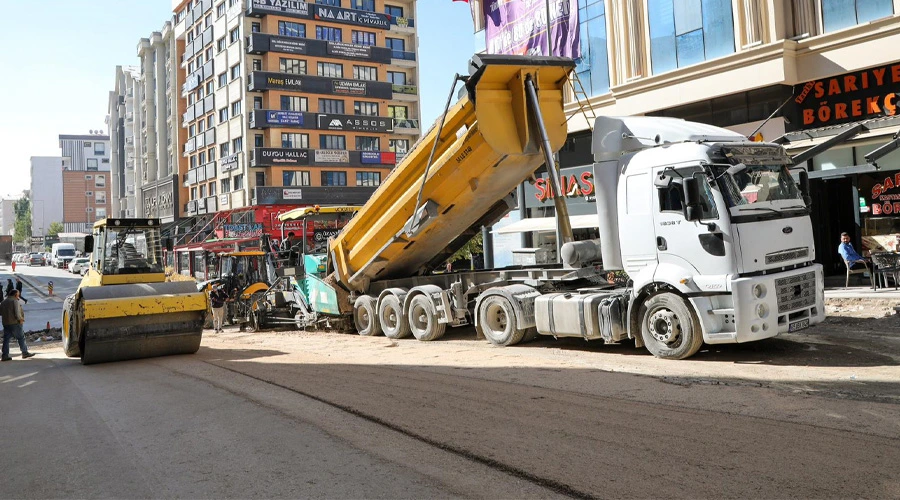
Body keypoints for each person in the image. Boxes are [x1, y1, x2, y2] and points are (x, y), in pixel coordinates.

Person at [1, 290, 34, 361]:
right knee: (21, 337)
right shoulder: (14, 301)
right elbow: (17, 312)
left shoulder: (3, 302)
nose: (18, 296)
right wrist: (20, 319)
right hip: (15, 323)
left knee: (6, 339)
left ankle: (5, 355)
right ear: (15, 295)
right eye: (18, 295)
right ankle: (24, 352)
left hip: (6, 323)